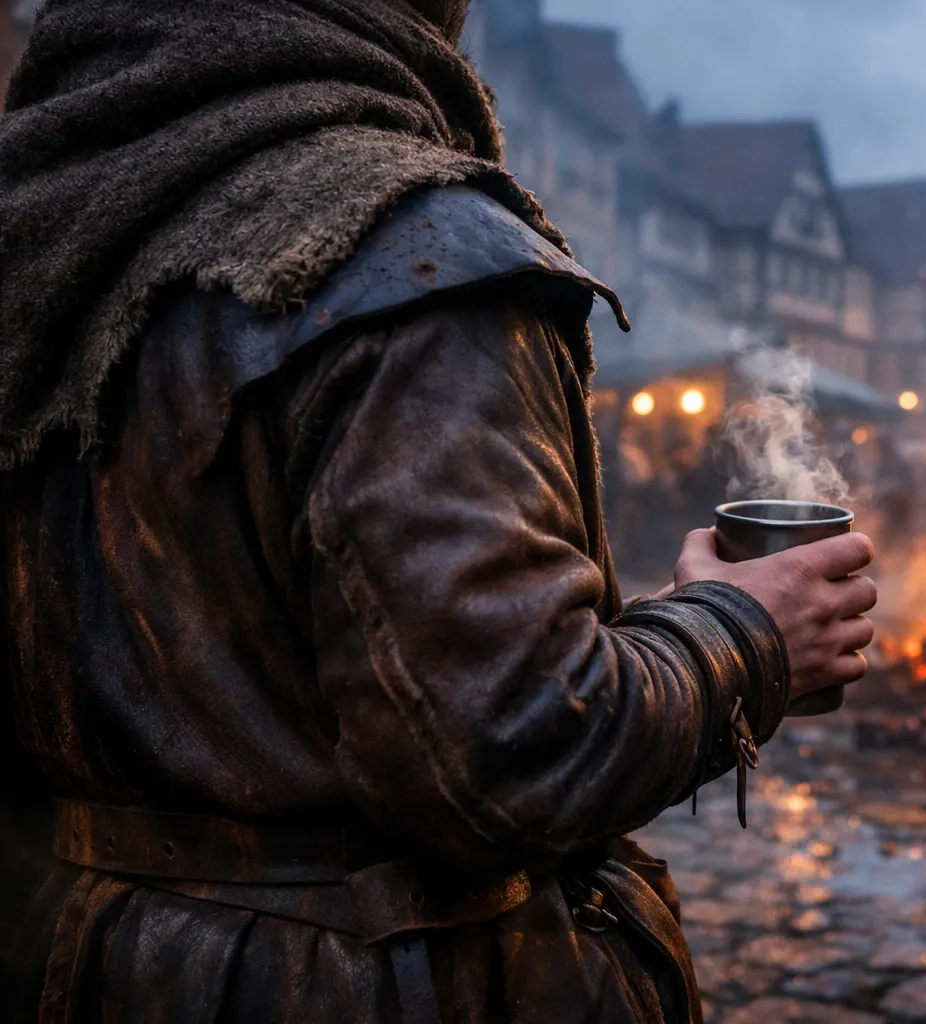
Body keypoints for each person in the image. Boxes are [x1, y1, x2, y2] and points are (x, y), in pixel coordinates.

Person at [0, 2, 877, 1022]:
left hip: (71, 956)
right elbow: (515, 756)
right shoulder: (405, 254)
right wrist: (744, 633)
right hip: (371, 987)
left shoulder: (42, 230)